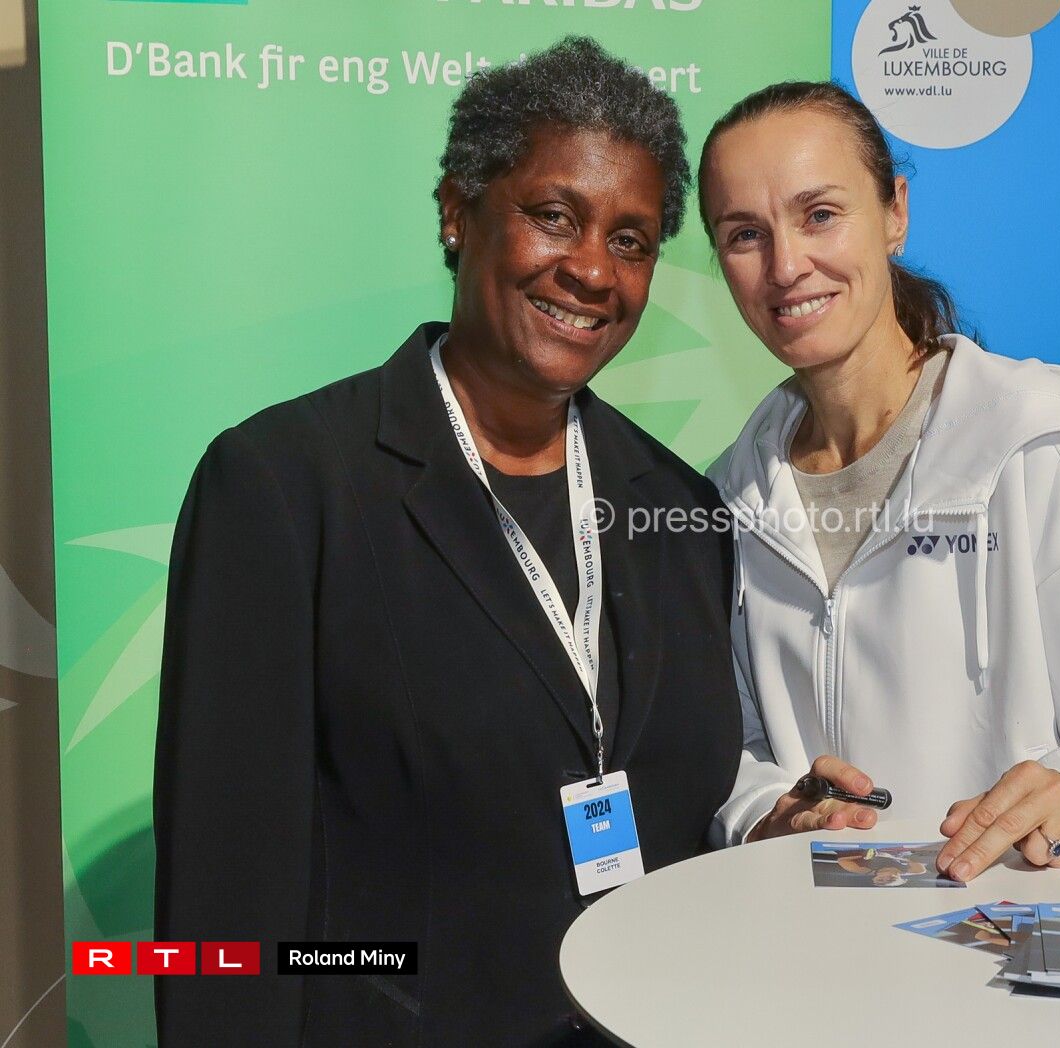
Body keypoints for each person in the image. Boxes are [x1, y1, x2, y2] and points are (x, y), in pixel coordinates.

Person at [154, 38, 740, 1047]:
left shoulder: (682, 510)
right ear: (457, 210)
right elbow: (228, 895)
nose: (592, 269)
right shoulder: (286, 488)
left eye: (632, 239)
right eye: (553, 215)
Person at [697, 82, 1060, 880]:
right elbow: (722, 747)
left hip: (1007, 931)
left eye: (820, 214)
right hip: (813, 936)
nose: (787, 265)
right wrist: (770, 809)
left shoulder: (1027, 439)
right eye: (745, 234)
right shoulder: (726, 497)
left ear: (895, 212)